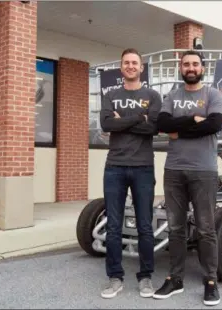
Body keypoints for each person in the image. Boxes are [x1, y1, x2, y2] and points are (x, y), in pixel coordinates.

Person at [153, 50, 222, 306]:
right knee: (175, 228)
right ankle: (175, 279)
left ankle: (210, 281)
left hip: (204, 171)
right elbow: (161, 124)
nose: (191, 67)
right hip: (173, 170)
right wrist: (192, 120)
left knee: (206, 229)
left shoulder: (213, 94)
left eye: (195, 64)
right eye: (186, 64)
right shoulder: (172, 95)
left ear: (202, 67)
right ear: (180, 68)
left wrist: (179, 129)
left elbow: (214, 124)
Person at [99, 48, 162, 299]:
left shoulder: (153, 95)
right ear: (121, 67)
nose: (131, 66)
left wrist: (122, 119)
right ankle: (115, 277)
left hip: (143, 167)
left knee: (145, 225)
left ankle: (146, 277)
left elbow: (153, 128)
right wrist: (139, 117)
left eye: (135, 62)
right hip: (114, 166)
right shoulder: (111, 94)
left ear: (141, 67)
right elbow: (106, 124)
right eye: (127, 62)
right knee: (113, 226)